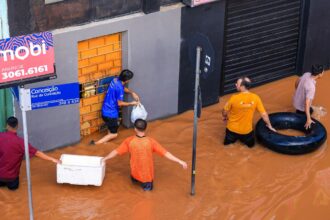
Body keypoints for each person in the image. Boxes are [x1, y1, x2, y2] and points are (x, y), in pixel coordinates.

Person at [102, 119, 187, 191]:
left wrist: (105, 158)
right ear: (145, 129)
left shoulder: (129, 141)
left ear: (135, 129)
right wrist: (179, 161)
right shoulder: (151, 142)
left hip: (134, 175)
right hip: (147, 178)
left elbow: (115, 152)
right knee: (147, 199)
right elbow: (166, 153)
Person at [0, 117, 60, 190]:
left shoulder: (1, 136)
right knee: (13, 191)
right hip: (12, 179)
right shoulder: (21, 142)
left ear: (7, 126)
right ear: (17, 126)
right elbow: (37, 153)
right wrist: (52, 159)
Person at [222, 77, 276, 148]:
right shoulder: (256, 98)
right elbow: (264, 114)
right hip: (246, 132)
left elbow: (224, 111)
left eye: (237, 84)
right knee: (251, 147)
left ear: (242, 86)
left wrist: (225, 116)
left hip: (231, 131)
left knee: (226, 146)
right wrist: (269, 125)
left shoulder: (233, 98)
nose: (235, 85)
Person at [91, 69, 140, 145]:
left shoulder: (115, 80)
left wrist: (132, 93)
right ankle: (96, 144)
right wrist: (132, 103)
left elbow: (123, 88)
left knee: (110, 130)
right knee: (114, 134)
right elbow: (120, 103)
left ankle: (105, 142)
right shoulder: (119, 88)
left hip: (105, 110)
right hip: (111, 114)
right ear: (127, 80)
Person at [293, 65, 324, 129]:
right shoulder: (311, 87)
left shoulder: (306, 74)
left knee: (310, 110)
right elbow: (307, 103)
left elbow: (297, 81)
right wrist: (309, 119)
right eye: (323, 72)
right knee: (306, 119)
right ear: (319, 74)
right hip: (302, 108)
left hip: (296, 101)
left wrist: (297, 90)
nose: (323, 73)